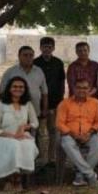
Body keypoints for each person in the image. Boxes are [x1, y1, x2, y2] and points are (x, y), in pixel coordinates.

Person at [0, 76, 39, 187]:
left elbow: (35, 123)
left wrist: (24, 127)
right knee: (14, 145)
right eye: (15, 86)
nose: (18, 89)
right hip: (1, 137)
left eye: (21, 87)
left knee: (28, 145)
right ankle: (10, 180)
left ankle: (18, 179)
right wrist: (12, 136)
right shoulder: (0, 104)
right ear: (9, 88)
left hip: (21, 135)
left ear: (25, 89)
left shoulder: (27, 104)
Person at [0, 46, 48, 165]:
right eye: (25, 55)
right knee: (17, 138)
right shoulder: (11, 72)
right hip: (15, 113)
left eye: (31, 55)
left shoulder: (39, 71)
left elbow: (44, 92)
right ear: (19, 56)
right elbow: (2, 92)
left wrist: (44, 109)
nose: (28, 58)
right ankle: (16, 163)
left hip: (35, 112)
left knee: (34, 137)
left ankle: (32, 163)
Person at [56, 78, 98, 187]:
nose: (82, 90)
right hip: (70, 134)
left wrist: (89, 134)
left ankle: (80, 175)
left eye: (85, 88)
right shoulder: (64, 103)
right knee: (66, 143)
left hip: (89, 135)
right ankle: (90, 175)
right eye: (79, 87)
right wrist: (74, 135)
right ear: (73, 88)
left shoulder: (95, 103)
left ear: (89, 89)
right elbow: (59, 123)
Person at [33, 36, 66, 166]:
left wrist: (60, 100)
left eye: (49, 47)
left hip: (55, 102)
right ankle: (40, 157)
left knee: (53, 130)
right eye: (44, 47)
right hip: (37, 103)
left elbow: (62, 82)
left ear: (53, 48)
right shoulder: (35, 63)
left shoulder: (58, 63)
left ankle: (52, 158)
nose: (47, 49)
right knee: (39, 131)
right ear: (40, 48)